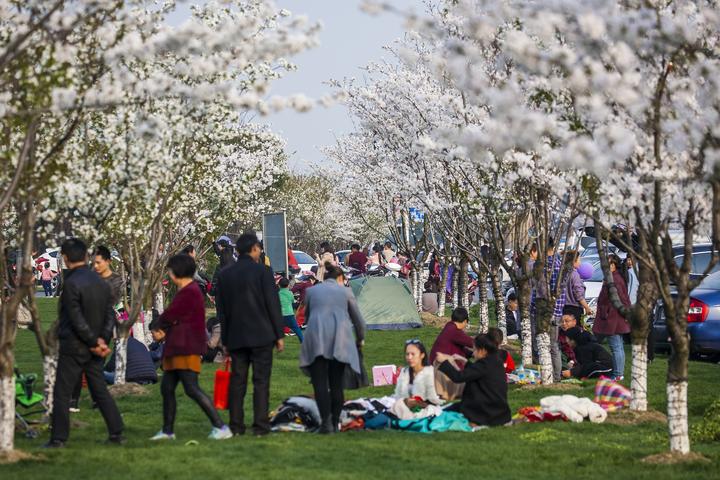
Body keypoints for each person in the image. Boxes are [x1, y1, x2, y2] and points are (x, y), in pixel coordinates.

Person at [45, 238, 124, 448]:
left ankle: (58, 438)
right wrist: (102, 341)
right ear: (86, 256)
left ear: (64, 258)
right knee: (99, 390)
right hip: (96, 346)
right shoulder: (100, 281)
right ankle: (116, 432)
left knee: (62, 392)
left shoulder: (71, 283)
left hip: (74, 345)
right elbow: (110, 315)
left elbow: (75, 317)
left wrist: (92, 341)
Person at [150, 254, 231, 441]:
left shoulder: (190, 291)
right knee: (167, 388)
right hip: (178, 347)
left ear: (176, 272)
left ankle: (220, 426)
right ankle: (167, 430)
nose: (169, 274)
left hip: (185, 348)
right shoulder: (187, 290)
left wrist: (157, 324)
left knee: (191, 388)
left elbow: (171, 314)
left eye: (170, 270)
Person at [215, 233, 285, 436]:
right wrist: (279, 334)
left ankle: (236, 426)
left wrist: (225, 339)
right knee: (261, 382)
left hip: (236, 336)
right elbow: (273, 304)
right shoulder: (263, 272)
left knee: (238, 383)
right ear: (254, 249)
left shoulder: (226, 274)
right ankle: (260, 426)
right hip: (262, 335)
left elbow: (223, 311)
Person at [299, 262, 366, 433]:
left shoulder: (312, 291)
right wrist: (360, 339)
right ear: (340, 278)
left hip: (316, 340)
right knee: (336, 383)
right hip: (340, 341)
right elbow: (358, 319)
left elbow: (307, 316)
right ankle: (335, 421)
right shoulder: (346, 291)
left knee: (320, 384)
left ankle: (325, 423)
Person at [437, 334, 512, 427]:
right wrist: (465, 362)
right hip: (499, 412)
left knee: (439, 413)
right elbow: (479, 373)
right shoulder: (495, 361)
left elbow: (458, 377)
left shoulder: (484, 364)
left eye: (475, 350)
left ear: (483, 351)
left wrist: (444, 362)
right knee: (447, 408)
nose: (473, 353)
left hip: (485, 413)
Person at [529, 240, 565, 381]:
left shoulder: (543, 266)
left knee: (543, 346)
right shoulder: (560, 264)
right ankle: (555, 377)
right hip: (557, 310)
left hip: (545, 310)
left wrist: (532, 307)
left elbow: (539, 290)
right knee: (554, 346)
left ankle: (548, 376)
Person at [592, 253, 631, 381]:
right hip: (613, 316)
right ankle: (618, 373)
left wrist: (626, 313)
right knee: (618, 346)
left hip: (613, 317)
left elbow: (623, 298)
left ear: (613, 265)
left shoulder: (614, 279)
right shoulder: (614, 278)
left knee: (615, 347)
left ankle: (618, 374)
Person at [390, 340, 443, 419]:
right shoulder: (405, 372)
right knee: (395, 405)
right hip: (406, 406)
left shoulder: (430, 373)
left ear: (422, 355)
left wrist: (418, 403)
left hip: (427, 409)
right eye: (407, 354)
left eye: (413, 354)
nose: (409, 357)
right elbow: (398, 395)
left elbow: (435, 400)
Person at [429, 307, 474, 400]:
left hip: (436, 363)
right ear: (465, 321)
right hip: (442, 366)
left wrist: (471, 354)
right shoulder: (454, 331)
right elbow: (472, 343)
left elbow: (460, 347)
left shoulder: (449, 326)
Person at [562, 251, 593, 323]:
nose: (580, 263)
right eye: (579, 260)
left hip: (564, 308)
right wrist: (587, 308)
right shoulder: (574, 275)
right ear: (574, 261)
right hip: (574, 310)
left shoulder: (563, 273)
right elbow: (579, 295)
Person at [279, 277, 304, 342]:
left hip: (280, 315)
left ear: (279, 285)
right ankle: (303, 341)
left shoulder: (277, 294)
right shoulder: (290, 293)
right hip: (289, 314)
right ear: (288, 285)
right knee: (296, 329)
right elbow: (293, 301)